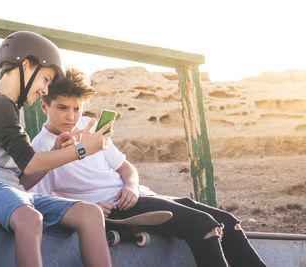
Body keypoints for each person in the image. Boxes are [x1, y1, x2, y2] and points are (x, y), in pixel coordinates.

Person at [30, 67, 267, 267]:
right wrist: (85, 208)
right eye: (62, 108)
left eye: (76, 108)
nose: (71, 116)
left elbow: (126, 168)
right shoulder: (41, 149)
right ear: (44, 107)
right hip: (114, 209)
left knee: (228, 221)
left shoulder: (88, 126)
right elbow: (41, 201)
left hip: (137, 195)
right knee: (203, 225)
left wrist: (131, 187)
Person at [0, 31, 113, 267]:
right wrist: (82, 150)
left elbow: (24, 180)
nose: (45, 89)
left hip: (11, 191)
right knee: (30, 218)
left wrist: (56, 150)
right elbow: (30, 162)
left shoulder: (11, 110)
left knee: (90, 214)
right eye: (46, 79)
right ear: (26, 65)